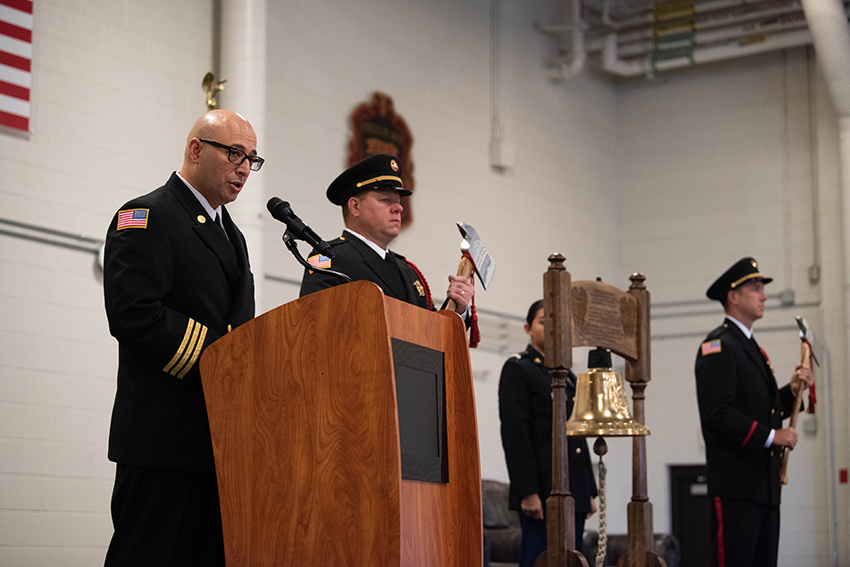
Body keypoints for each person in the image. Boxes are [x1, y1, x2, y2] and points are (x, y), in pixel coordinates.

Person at [102, 109, 261, 566]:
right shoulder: (145, 215)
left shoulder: (233, 235)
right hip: (163, 441)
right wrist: (224, 362)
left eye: (252, 158)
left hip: (218, 443)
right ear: (196, 150)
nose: (245, 168)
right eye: (234, 153)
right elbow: (135, 316)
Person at [695, 257, 813, 567]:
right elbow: (717, 414)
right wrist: (774, 436)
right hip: (737, 486)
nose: (763, 295)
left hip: (763, 486)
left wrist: (793, 389)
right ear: (733, 296)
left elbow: (765, 408)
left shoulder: (750, 348)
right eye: (755, 288)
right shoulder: (718, 347)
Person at [299, 154, 473, 314]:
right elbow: (316, 324)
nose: (399, 208)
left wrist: (456, 309)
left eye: (398, 202)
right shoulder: (331, 259)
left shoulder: (408, 272)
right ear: (355, 207)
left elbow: (430, 333)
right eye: (385, 200)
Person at [499, 300, 598, 565]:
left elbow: (576, 433)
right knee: (539, 559)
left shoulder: (568, 376)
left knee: (571, 560)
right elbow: (515, 434)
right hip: (541, 489)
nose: (551, 328)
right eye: (544, 322)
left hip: (573, 488)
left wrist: (588, 488)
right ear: (528, 328)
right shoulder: (519, 368)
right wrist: (527, 491)